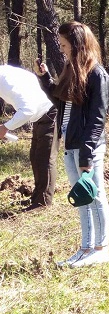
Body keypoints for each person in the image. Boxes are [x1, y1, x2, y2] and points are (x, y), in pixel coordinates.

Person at [36, 22, 109, 267]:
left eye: (64, 45)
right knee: (82, 198)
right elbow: (60, 100)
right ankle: (86, 248)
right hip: (71, 144)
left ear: (77, 44)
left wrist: (87, 157)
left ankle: (102, 248)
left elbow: (97, 119)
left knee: (95, 196)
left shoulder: (98, 75)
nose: (62, 50)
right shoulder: (71, 70)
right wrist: (44, 77)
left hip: (88, 148)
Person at [0, 64, 58, 210]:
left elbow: (27, 109)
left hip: (49, 112)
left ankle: (43, 202)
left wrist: (5, 127)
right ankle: (37, 197)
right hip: (40, 115)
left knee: (44, 158)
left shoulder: (6, 82)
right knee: (35, 156)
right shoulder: (5, 72)